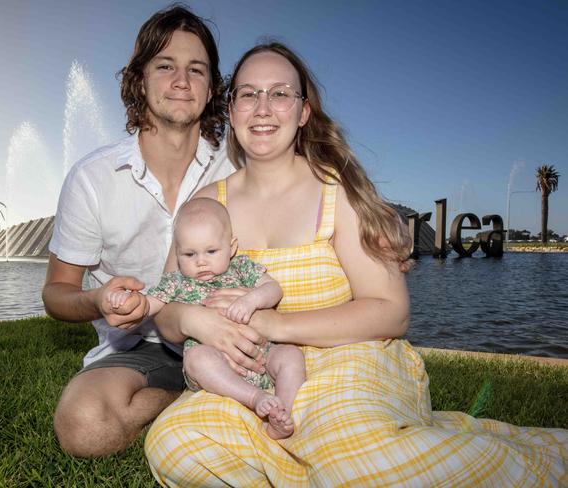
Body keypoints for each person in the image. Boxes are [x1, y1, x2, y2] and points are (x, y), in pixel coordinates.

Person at [145, 43, 568, 486]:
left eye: (280, 93)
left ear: (304, 111)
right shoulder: (207, 206)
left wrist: (272, 325)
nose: (263, 108)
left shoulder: (337, 193)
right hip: (247, 373)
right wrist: (196, 319)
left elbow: (390, 311)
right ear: (231, 111)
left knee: (352, 464)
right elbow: (169, 312)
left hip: (350, 358)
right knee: (177, 444)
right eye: (248, 94)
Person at [41, 6, 245, 458]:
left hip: (230, 337)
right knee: (83, 427)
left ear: (211, 88)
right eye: (165, 66)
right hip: (141, 348)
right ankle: (192, 396)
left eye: (197, 69)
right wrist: (98, 300)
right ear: (139, 80)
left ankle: (220, 388)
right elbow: (56, 292)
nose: (181, 80)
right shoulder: (93, 177)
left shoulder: (237, 167)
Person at [109, 197, 305, 439]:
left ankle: (281, 412)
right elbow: (148, 306)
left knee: (291, 355)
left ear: (231, 247)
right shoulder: (176, 282)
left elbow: (274, 289)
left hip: (261, 353)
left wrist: (251, 300)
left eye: (211, 251)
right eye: (189, 254)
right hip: (216, 365)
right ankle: (256, 398)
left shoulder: (242, 268)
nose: (201, 261)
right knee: (197, 358)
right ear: (177, 254)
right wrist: (127, 301)